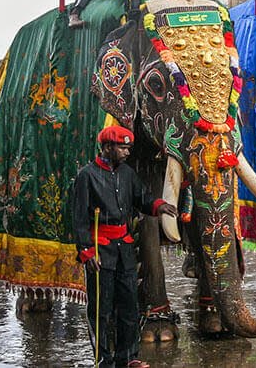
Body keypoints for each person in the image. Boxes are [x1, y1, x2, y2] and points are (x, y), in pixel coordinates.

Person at [72, 126, 176, 368]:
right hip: (101, 252)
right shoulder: (87, 176)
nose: (127, 152)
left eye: (129, 147)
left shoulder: (128, 173)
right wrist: (87, 252)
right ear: (107, 148)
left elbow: (142, 198)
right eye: (122, 147)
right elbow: (79, 219)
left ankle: (128, 358)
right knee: (101, 310)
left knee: (130, 308)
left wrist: (158, 206)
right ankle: (103, 360)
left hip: (125, 250)